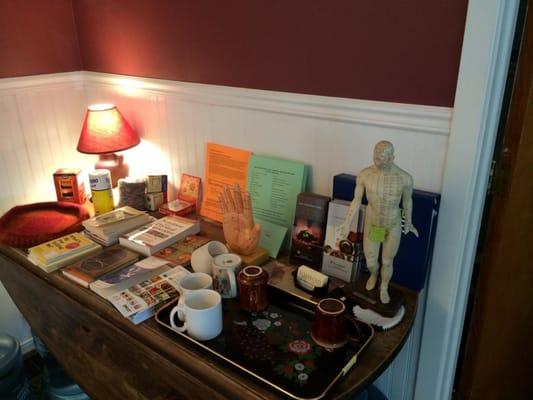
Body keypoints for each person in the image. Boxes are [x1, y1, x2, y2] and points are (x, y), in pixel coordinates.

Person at [337, 141, 418, 303]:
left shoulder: (405, 178)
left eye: (383, 159)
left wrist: (408, 222)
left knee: (387, 261)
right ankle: (374, 274)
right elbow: (356, 200)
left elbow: (408, 201)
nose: (378, 163)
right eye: (376, 159)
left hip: (392, 224)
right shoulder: (364, 175)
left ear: (392, 158)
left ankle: (384, 287)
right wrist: (347, 223)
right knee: (371, 261)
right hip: (373, 223)